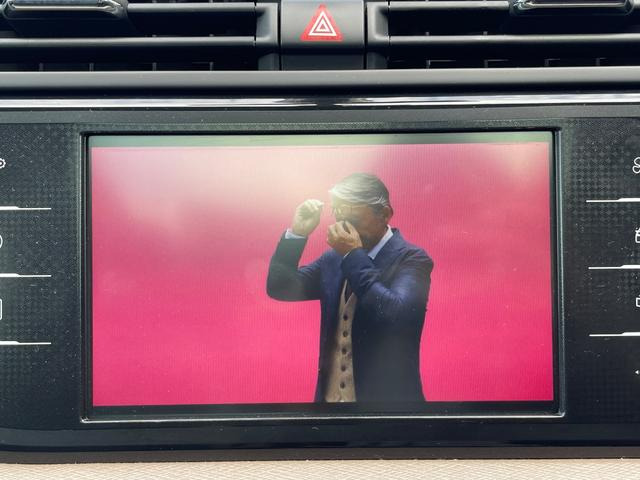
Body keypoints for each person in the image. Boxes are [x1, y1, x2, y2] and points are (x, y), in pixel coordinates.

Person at [266, 173, 433, 403]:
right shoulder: (333, 259)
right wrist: (298, 233)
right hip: (329, 409)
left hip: (389, 411)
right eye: (338, 214)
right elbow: (280, 287)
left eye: (353, 216)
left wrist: (353, 255)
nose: (343, 225)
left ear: (385, 214)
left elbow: (396, 316)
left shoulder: (412, 259)